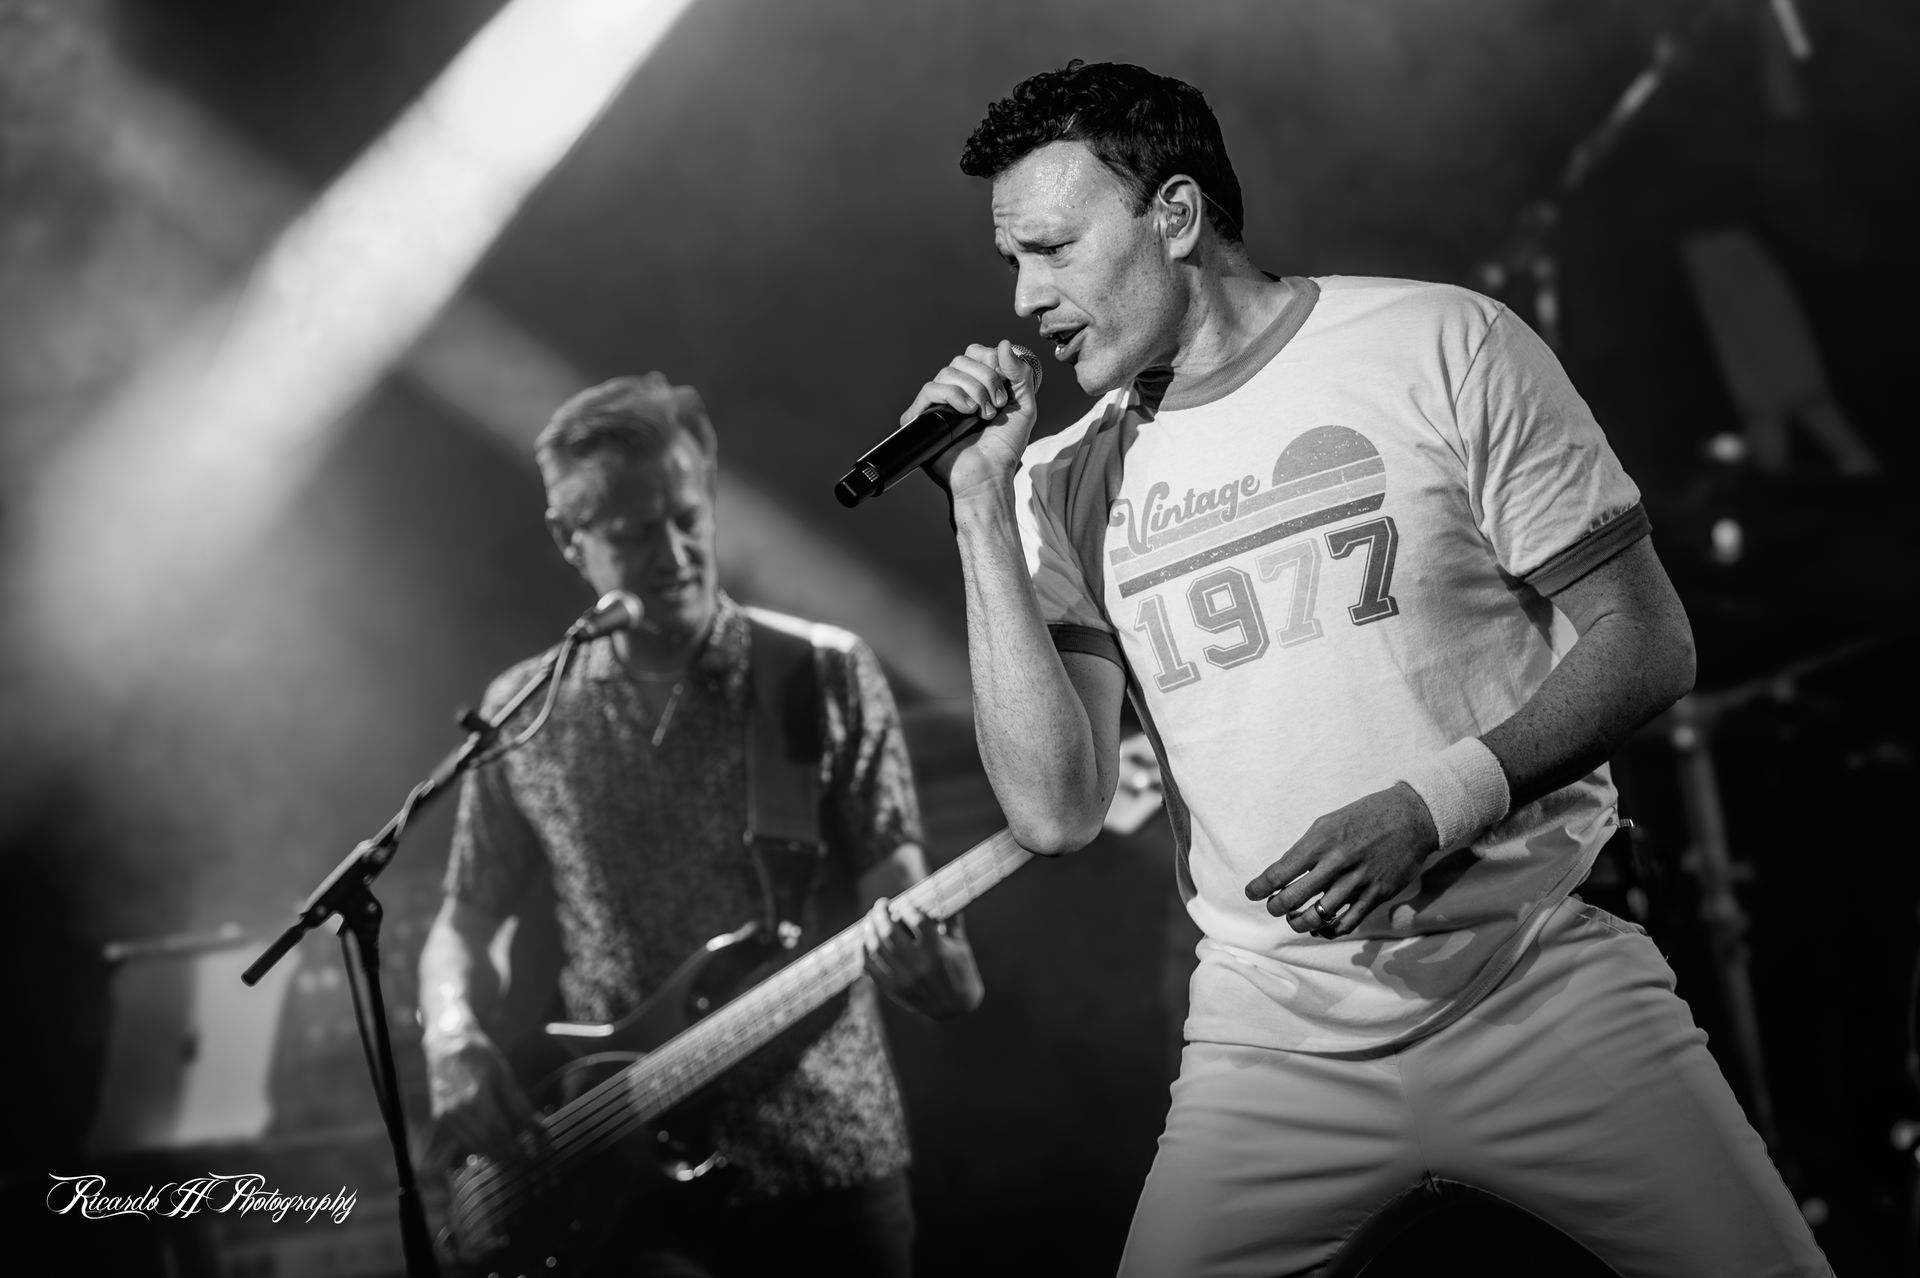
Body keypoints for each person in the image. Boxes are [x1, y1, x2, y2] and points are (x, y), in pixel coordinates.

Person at [900, 59, 1832, 1277]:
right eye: (1011, 260)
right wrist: (979, 506)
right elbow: (1054, 809)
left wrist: (1429, 806)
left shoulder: (1439, 342)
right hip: (1269, 1041)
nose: (1025, 297)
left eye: (1053, 250)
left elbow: (1648, 640)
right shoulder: (1065, 479)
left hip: (1536, 979)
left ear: (1175, 218)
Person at [417, 372, 983, 1278]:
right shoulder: (526, 706)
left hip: (823, 1164)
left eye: (689, 516)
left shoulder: (819, 674)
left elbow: (906, 900)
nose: (675, 551)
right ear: (571, 539)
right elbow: (466, 919)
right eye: (636, 532)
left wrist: (941, 972)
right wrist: (453, 1036)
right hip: (616, 1176)